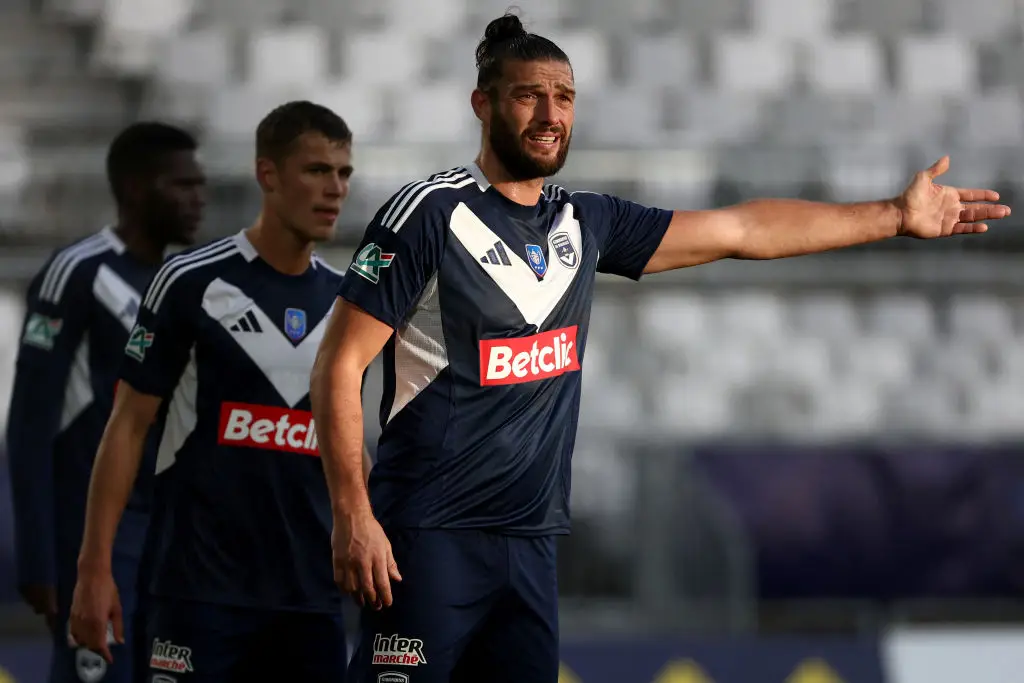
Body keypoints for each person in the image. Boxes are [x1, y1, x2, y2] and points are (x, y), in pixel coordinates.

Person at [308, 11, 1012, 683]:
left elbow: (742, 230)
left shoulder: (586, 222)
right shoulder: (430, 213)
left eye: (564, 97)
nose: (552, 115)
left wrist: (892, 214)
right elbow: (340, 365)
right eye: (529, 96)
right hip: (427, 540)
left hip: (531, 548)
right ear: (483, 104)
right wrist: (352, 513)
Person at [68, 101, 362, 683]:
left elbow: (349, 443)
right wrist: (93, 569)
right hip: (198, 595)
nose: (334, 189)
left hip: (310, 600)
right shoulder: (190, 282)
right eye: (316, 170)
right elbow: (126, 427)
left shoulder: (349, 302)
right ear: (268, 174)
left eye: (344, 173)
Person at [5, 122, 205, 683]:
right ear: (138, 189)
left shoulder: (187, 281)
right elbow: (28, 423)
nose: (199, 199)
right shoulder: (77, 271)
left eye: (201, 185)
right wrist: (40, 556)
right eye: (183, 185)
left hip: (166, 536)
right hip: (89, 534)